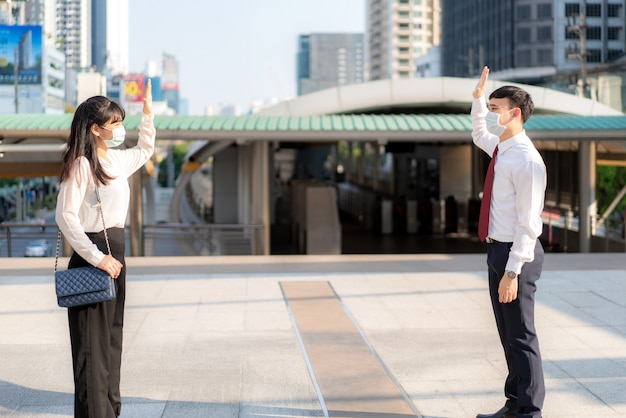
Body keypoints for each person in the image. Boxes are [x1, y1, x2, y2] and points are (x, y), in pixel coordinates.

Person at [55, 80, 154, 418]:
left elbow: (144, 151)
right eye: (114, 124)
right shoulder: (82, 165)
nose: (119, 129)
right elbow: (65, 217)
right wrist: (98, 258)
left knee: (112, 339)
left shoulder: (114, 161)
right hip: (95, 254)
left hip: (116, 253)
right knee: (91, 350)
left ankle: (111, 411)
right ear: (95, 129)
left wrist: (148, 115)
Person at [471, 67, 547, 418]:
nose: (490, 114)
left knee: (521, 336)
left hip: (516, 254)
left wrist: (512, 271)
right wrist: (476, 101)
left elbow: (529, 224)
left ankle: (530, 412)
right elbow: (478, 134)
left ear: (514, 113)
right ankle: (514, 403)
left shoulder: (527, 160)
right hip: (496, 249)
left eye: (495, 108)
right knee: (507, 335)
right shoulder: (502, 148)